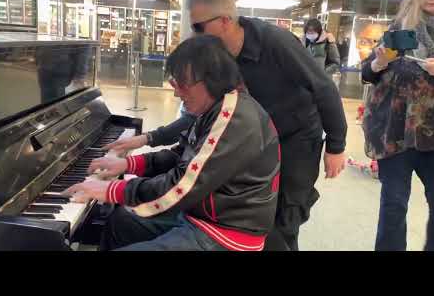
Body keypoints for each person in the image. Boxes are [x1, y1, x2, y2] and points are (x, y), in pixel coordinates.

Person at [104, 0, 348, 251]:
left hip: (295, 140)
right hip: (252, 141)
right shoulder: (217, 60)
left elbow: (323, 87)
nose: (193, 34)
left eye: (198, 27)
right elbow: (197, 116)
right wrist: (148, 138)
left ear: (224, 21)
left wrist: (336, 145)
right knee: (251, 212)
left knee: (284, 221)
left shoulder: (275, 42)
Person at [64, 35, 280, 251]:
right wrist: (129, 164)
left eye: (181, 84)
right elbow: (181, 155)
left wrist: (113, 189)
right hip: (200, 214)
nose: (176, 92)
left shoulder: (234, 118)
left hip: (226, 232)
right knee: (121, 221)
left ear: (210, 79)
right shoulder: (215, 107)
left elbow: (181, 185)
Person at [362, 0, 434, 251]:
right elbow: (368, 71)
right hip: (394, 130)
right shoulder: (402, 24)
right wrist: (380, 62)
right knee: (393, 204)